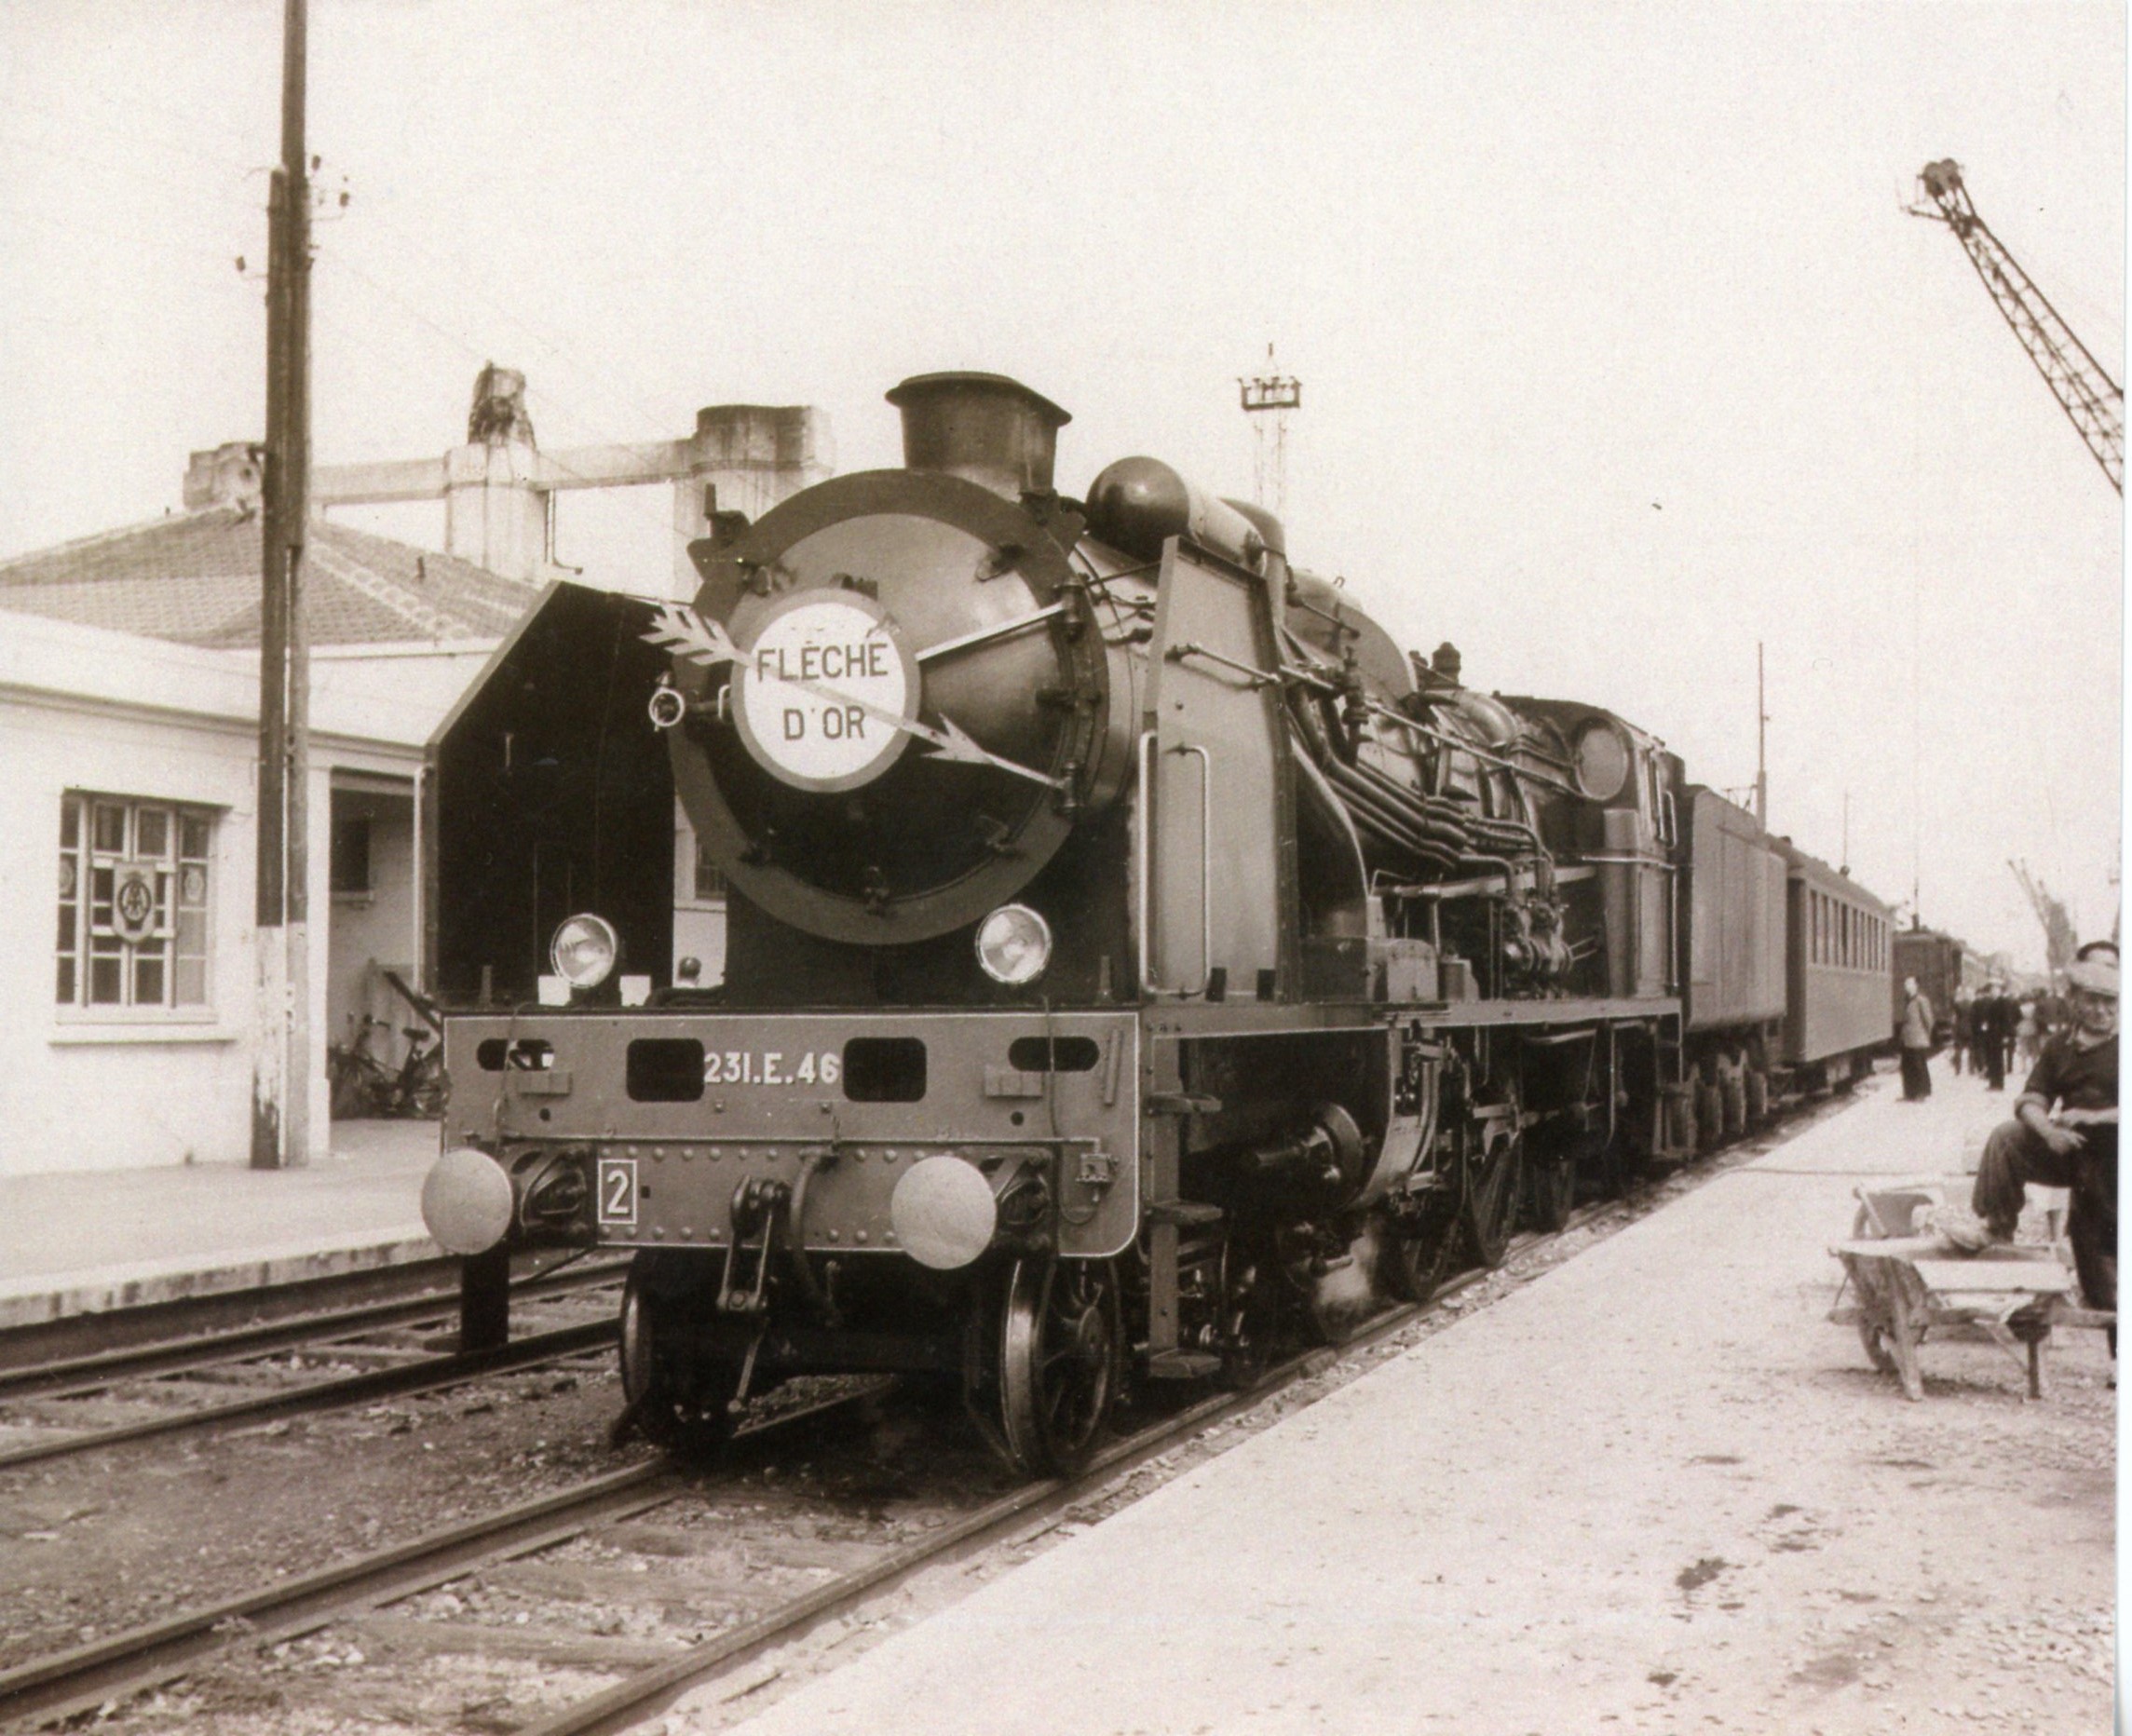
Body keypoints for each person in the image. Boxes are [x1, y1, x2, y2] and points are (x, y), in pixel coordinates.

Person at [1968, 954, 2117, 1356]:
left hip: (2118, 1164)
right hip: (2076, 1158)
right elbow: (2031, 1098)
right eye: (2094, 1000)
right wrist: (2048, 1130)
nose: (2102, 1010)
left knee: (2104, 1267)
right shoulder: (2061, 1047)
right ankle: (1997, 1227)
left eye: (2111, 1002)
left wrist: (2093, 1116)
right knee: (2007, 1138)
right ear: (2075, 1002)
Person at [1898, 975, 1934, 1102]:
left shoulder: (1921, 1000)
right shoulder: (1907, 1000)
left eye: (1909, 983)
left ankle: (1922, 1093)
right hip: (1907, 1040)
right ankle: (1910, 1093)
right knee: (1907, 1067)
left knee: (1919, 1067)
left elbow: (1929, 1020)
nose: (1906, 986)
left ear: (1915, 985)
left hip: (1918, 1040)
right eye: (1906, 984)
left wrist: (1924, 1036)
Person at [1949, 988, 1974, 1078]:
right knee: (1971, 1051)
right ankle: (1971, 1069)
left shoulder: (1958, 1004)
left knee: (1958, 1050)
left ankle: (1958, 1070)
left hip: (1960, 1029)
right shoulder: (1973, 1005)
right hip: (1970, 1029)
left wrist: (1954, 1030)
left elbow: (1955, 1018)